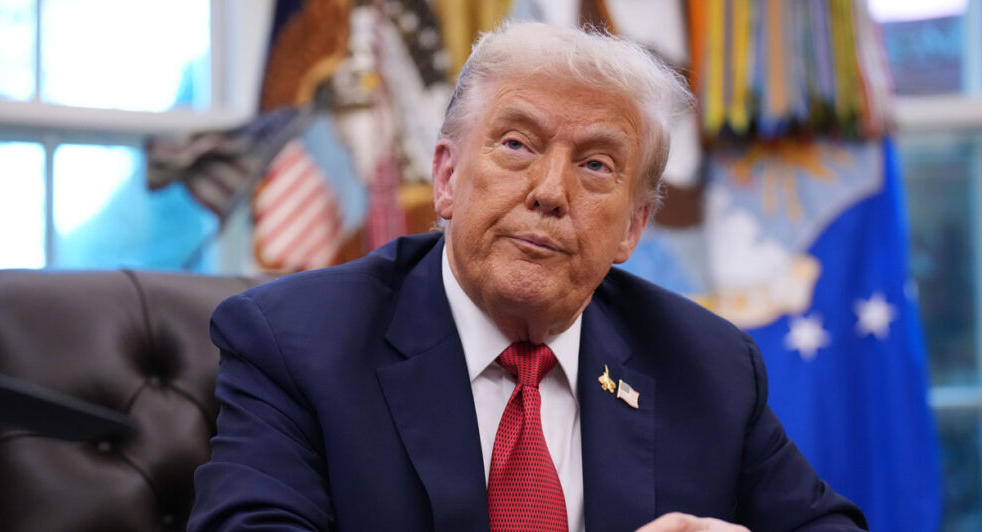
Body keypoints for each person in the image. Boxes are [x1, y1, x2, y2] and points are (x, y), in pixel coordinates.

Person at [188, 21, 868, 532]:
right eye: (517, 145)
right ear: (448, 178)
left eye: (597, 165)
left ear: (632, 227)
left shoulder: (707, 364)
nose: (550, 191)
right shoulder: (298, 344)